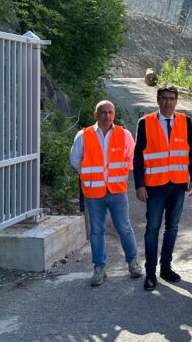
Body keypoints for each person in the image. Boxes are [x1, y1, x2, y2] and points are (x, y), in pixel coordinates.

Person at [69, 100, 142, 287]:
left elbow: (132, 157)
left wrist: (120, 175)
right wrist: (89, 176)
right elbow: (75, 160)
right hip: (93, 192)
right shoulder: (83, 135)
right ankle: (99, 268)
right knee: (96, 231)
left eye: (110, 112)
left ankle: (133, 262)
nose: (107, 116)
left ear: (114, 114)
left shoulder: (124, 135)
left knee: (124, 228)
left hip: (117, 191)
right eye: (103, 112)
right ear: (96, 115)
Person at [134, 84, 192, 291]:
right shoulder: (145, 123)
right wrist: (139, 184)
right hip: (155, 185)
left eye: (171, 98)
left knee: (172, 227)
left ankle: (166, 268)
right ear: (157, 100)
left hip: (178, 184)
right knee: (152, 229)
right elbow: (137, 158)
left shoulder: (185, 121)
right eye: (163, 98)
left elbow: (191, 152)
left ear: (176, 101)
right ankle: (151, 273)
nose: (167, 102)